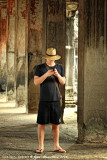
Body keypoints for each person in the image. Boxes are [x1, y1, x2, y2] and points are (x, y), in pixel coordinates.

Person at [34, 48, 66, 153]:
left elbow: (63, 82)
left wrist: (57, 75)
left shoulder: (60, 67)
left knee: (55, 124)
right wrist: (46, 74)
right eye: (49, 58)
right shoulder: (39, 68)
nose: (51, 60)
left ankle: (56, 146)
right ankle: (41, 146)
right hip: (44, 99)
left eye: (53, 58)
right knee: (41, 123)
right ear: (46, 58)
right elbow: (36, 82)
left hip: (56, 99)